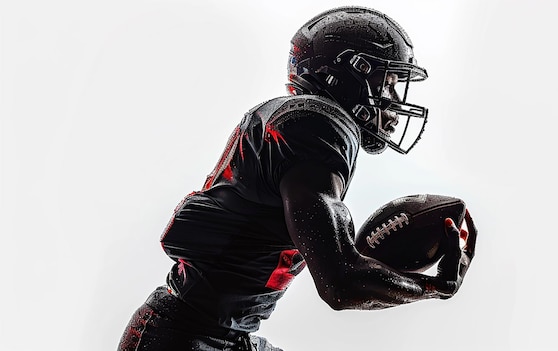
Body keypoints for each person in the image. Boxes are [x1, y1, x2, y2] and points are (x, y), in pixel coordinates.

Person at [118, 6, 477, 351]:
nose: (395, 102)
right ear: (351, 74)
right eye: (388, 83)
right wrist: (433, 287)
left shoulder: (290, 118)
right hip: (191, 337)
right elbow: (340, 284)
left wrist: (369, 265)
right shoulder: (319, 125)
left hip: (203, 332)